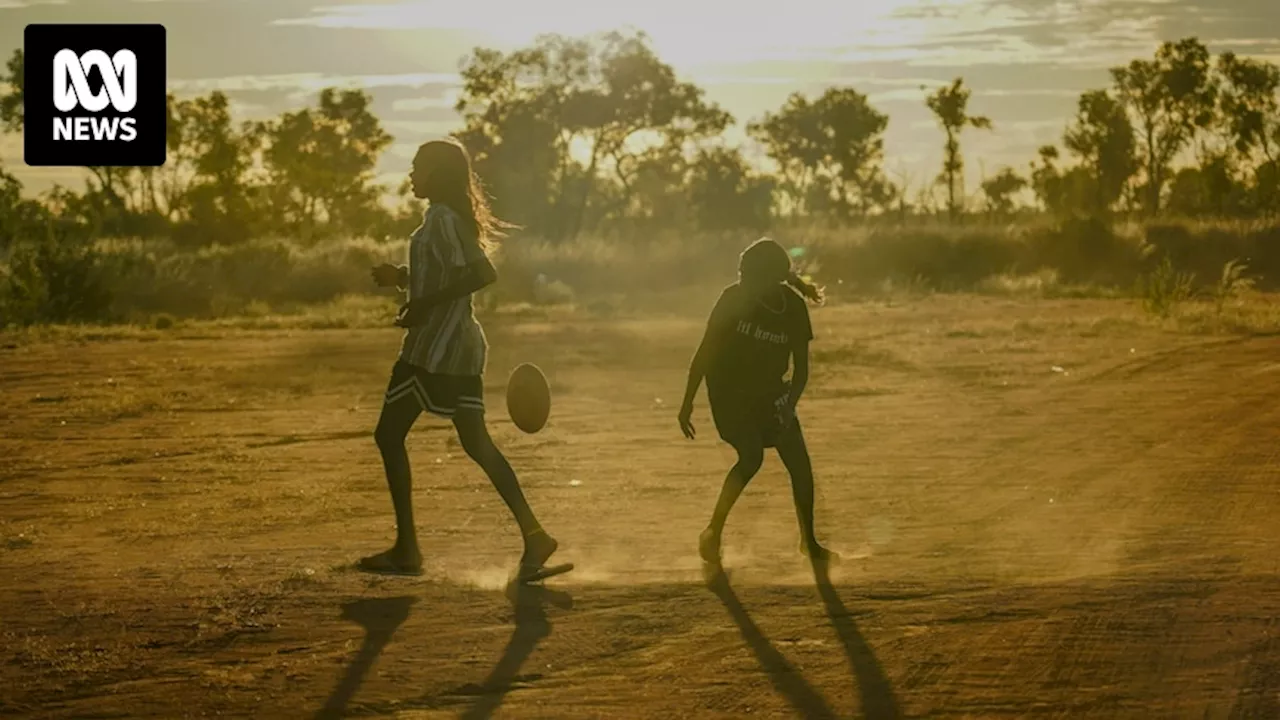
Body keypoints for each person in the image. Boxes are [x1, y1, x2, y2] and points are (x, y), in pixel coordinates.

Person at [364, 137, 560, 581]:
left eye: (417, 166)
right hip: (458, 348)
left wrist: (422, 303)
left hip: (435, 350)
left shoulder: (441, 219)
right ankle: (535, 536)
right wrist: (403, 279)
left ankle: (408, 549)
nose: (411, 174)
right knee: (475, 443)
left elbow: (481, 274)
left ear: (436, 172)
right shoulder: (444, 219)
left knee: (388, 435)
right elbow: (449, 275)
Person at [678, 237, 836, 568]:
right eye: (741, 275)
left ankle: (809, 541)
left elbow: (802, 369)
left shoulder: (792, 307)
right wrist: (687, 402)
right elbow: (705, 352)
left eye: (749, 278)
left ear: (771, 280)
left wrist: (789, 404)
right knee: (751, 458)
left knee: (800, 464)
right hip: (729, 394)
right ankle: (712, 533)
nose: (742, 283)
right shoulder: (731, 299)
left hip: (770, 393)